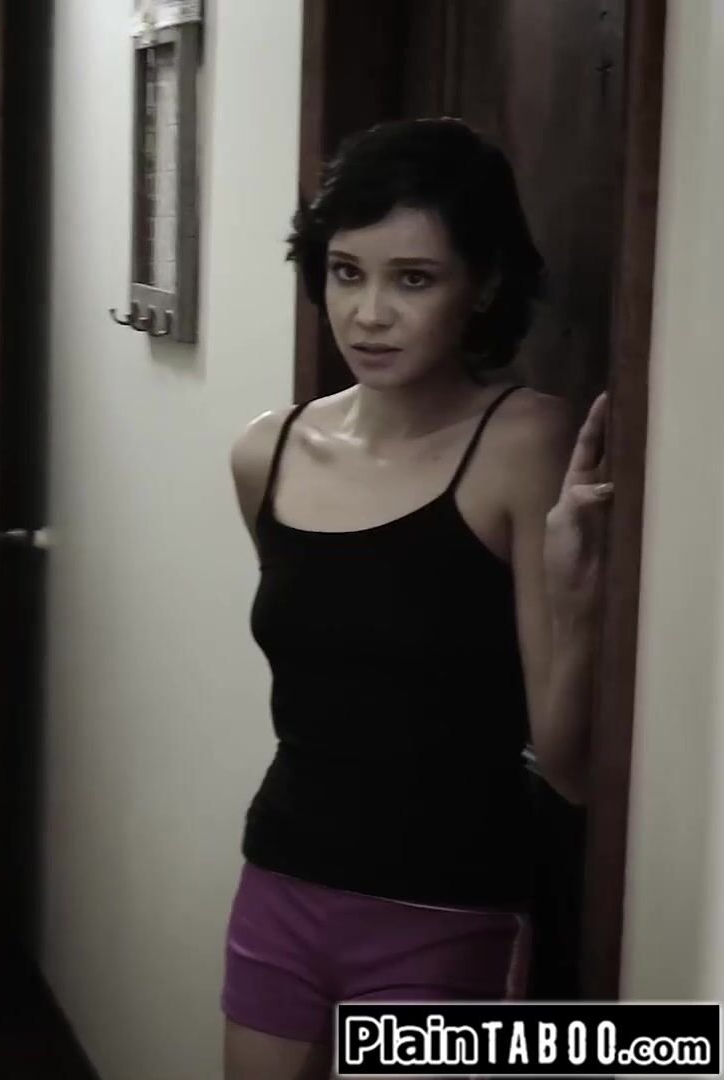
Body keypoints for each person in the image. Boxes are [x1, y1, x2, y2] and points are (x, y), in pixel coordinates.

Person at [220, 117, 613, 1080]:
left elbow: (569, 769)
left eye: (412, 279)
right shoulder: (266, 451)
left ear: (482, 285)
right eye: (344, 272)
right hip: (281, 876)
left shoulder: (524, 443)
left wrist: (576, 596)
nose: (367, 315)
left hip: (448, 904)